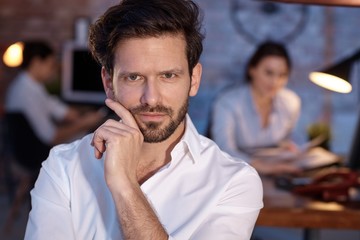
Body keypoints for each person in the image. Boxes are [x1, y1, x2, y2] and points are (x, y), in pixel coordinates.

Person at [24, 0, 263, 239]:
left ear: (194, 79)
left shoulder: (234, 181)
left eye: (168, 75)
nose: (151, 98)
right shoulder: (63, 167)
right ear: (109, 83)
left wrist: (125, 185)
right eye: (134, 77)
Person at [5, 40, 106, 173]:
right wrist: (85, 123)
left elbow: (60, 110)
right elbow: (52, 137)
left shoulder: (32, 87)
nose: (53, 71)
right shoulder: (25, 93)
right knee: (90, 140)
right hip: (35, 153)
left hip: (33, 149)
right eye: (51, 65)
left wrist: (81, 116)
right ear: (36, 62)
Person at [211, 41, 302, 176]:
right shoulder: (227, 102)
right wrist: (263, 167)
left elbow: (286, 141)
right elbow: (223, 150)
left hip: (276, 173)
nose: (275, 82)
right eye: (269, 73)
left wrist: (287, 148)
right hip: (234, 174)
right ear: (252, 69)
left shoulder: (291, 102)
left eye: (282, 75)